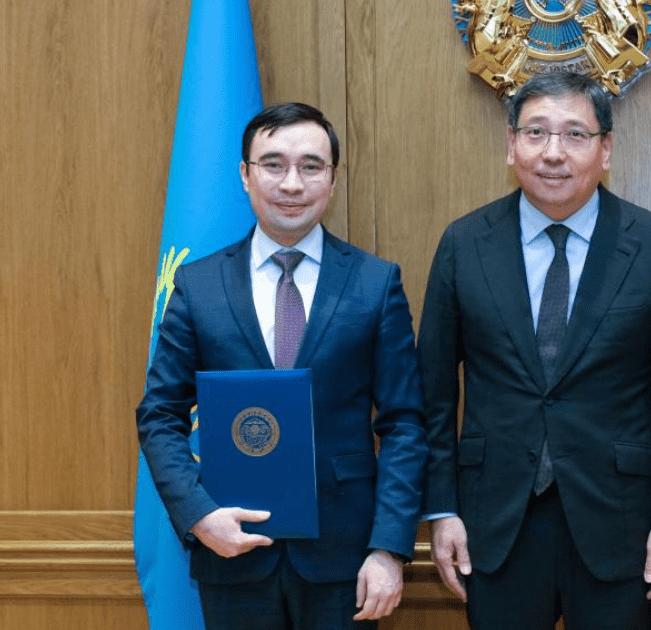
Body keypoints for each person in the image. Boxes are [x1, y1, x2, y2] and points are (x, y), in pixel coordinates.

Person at [418, 71, 651, 630]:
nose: (553, 152)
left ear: (606, 149)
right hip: (493, 521)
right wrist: (441, 508)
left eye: (575, 134)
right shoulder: (464, 244)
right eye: (536, 132)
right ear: (511, 144)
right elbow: (431, 394)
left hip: (620, 522)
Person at [136, 102, 427, 629]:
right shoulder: (198, 285)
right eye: (273, 165)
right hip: (232, 549)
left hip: (348, 560)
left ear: (332, 178)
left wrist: (389, 548)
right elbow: (160, 415)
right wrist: (199, 515)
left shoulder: (374, 283)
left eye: (311, 166)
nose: (292, 183)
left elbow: (404, 422)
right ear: (245, 175)